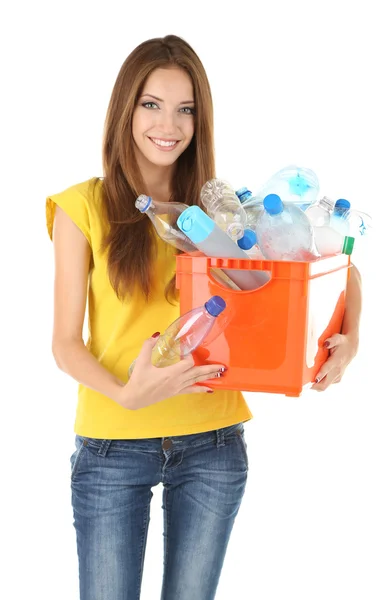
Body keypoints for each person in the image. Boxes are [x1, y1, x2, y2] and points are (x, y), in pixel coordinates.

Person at [46, 34, 362, 600]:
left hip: (213, 444)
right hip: (112, 448)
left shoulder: (225, 210)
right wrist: (125, 394)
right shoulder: (82, 207)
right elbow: (66, 343)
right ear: (125, 109)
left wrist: (350, 336)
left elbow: (333, 267)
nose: (169, 123)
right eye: (152, 104)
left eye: (185, 109)